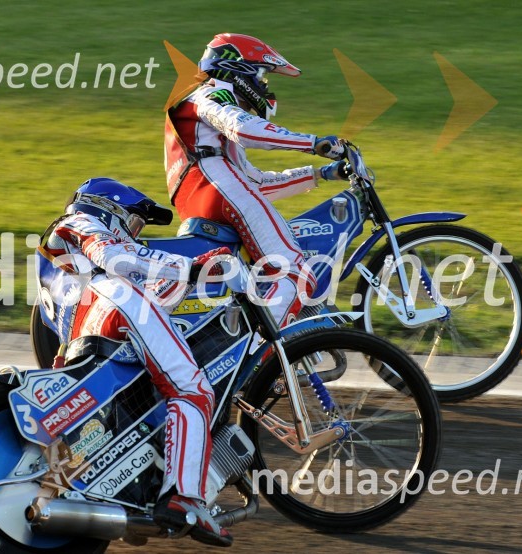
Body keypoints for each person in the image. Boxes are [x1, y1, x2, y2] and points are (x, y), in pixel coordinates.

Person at [38, 177, 232, 547]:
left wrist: (188, 278)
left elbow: (142, 286)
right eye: (133, 223)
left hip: (85, 334)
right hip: (117, 304)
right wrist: (191, 268)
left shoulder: (59, 263)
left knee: (143, 404)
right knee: (192, 390)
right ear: (105, 207)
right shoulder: (79, 221)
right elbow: (118, 259)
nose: (135, 234)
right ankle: (185, 499)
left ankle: (133, 493)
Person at [165, 32, 351, 327]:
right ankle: (264, 349)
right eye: (261, 76)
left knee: (263, 279)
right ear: (238, 71)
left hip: (203, 198)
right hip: (217, 189)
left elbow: (256, 185)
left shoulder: (209, 141)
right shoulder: (210, 95)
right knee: (295, 272)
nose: (264, 86)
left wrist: (319, 174)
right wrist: (313, 143)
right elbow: (243, 129)